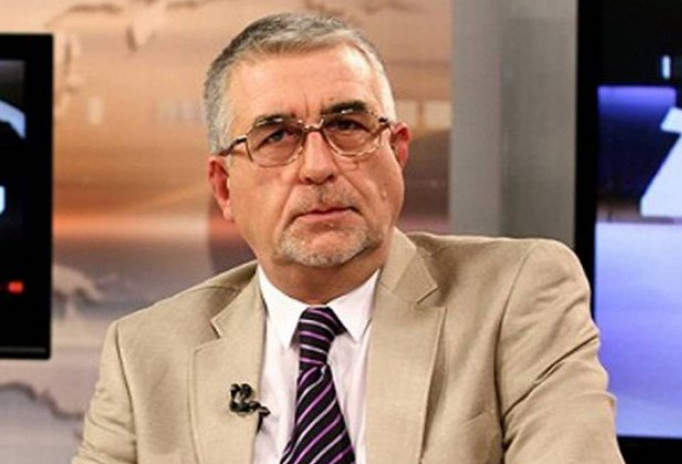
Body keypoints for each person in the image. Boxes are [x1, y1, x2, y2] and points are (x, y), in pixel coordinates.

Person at [72, 12, 625, 464]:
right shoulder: (145, 353)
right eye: (277, 136)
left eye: (347, 126)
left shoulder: (516, 297)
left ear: (397, 152)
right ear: (224, 186)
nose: (318, 167)